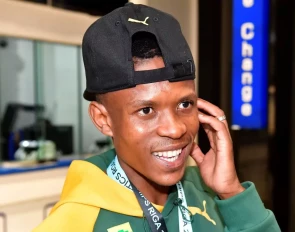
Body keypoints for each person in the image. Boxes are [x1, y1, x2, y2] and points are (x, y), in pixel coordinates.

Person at [34, 3, 281, 232]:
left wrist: (231, 193)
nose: (175, 129)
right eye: (146, 110)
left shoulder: (210, 191)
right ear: (103, 119)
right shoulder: (73, 223)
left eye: (185, 104)